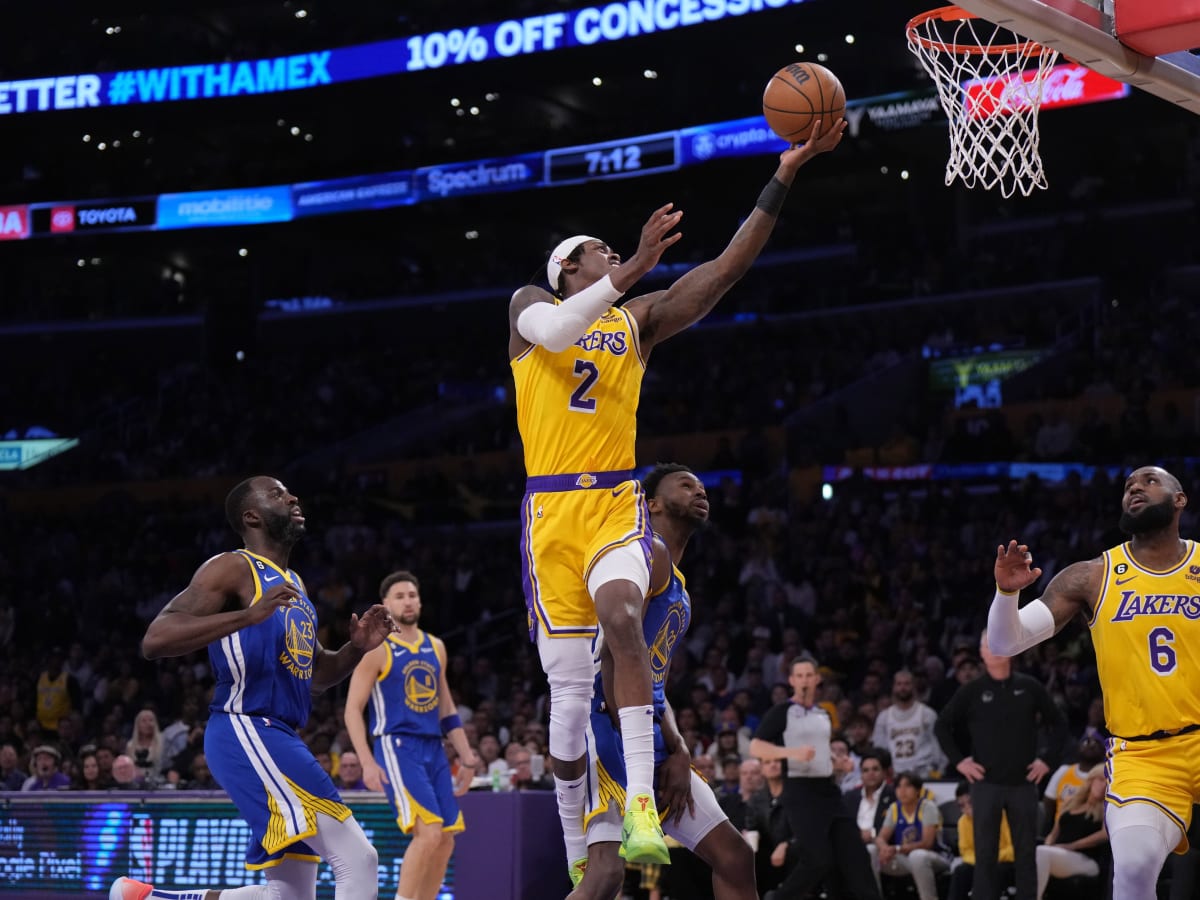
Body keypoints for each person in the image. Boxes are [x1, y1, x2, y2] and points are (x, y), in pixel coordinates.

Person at [508, 122, 845, 870]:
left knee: (622, 614)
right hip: (549, 513)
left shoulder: (638, 320)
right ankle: (574, 841)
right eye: (596, 251)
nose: (610, 254)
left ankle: (638, 809)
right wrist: (629, 269)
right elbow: (563, 330)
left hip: (612, 506)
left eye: (611, 250)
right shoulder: (531, 306)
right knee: (565, 707)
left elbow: (724, 270)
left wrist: (783, 176)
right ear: (569, 267)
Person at [109, 475, 393, 900]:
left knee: (289, 895)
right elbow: (156, 638)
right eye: (278, 493)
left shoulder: (294, 584)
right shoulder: (234, 567)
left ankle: (149, 898)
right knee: (359, 859)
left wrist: (355, 649)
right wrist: (247, 616)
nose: (293, 496)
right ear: (251, 515)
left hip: (276, 733)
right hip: (245, 727)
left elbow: (314, 676)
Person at [986, 465, 1200, 900]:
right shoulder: (1092, 575)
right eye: (1128, 485)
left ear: (1180, 500)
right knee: (1136, 866)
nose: (1135, 487)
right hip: (1145, 757)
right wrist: (1007, 594)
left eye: (1149, 481)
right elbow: (1005, 642)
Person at [570, 463, 757, 900]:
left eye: (702, 486)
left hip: (647, 730)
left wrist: (678, 747)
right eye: (686, 484)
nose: (700, 491)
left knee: (734, 857)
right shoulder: (644, 554)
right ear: (652, 503)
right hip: (605, 725)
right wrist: (638, 753)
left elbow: (653, 681)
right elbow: (616, 655)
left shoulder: (680, 587)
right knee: (604, 878)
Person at [344, 570, 479, 900]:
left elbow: (446, 708)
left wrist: (468, 756)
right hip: (397, 745)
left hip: (434, 747)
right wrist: (366, 762)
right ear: (386, 604)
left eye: (412, 595)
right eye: (400, 596)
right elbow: (352, 710)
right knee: (429, 833)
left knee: (446, 838)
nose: (408, 601)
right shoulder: (377, 649)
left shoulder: (437, 647)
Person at [935, 632, 1065, 900]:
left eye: (998, 641)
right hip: (986, 785)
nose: (993, 648)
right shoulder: (972, 690)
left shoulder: (1029, 687)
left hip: (1023, 784)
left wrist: (1047, 760)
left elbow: (1060, 724)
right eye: (986, 644)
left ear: (1011, 648)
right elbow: (942, 726)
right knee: (985, 855)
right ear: (981, 653)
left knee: (1026, 853)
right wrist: (960, 762)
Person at [749, 654, 883, 900]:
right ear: (791, 680)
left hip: (829, 792)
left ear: (817, 679)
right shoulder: (783, 711)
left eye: (809, 675)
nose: (804, 680)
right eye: (799, 675)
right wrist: (792, 753)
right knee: (818, 860)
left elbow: (821, 752)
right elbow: (756, 747)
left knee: (856, 856)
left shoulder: (822, 713)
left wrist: (837, 763)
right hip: (801, 793)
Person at [1034, 764, 1109, 899]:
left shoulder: (1107, 809)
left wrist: (1071, 846)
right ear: (1091, 780)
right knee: (1038, 852)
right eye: (1100, 780)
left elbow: (1104, 835)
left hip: (1087, 860)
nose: (1103, 785)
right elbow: (1053, 833)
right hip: (1059, 853)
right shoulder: (1071, 803)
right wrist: (1049, 844)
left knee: (1041, 853)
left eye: (1108, 783)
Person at [875, 771, 949, 900]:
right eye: (898, 786)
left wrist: (897, 849)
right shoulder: (894, 808)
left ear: (917, 790)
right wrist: (884, 848)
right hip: (905, 859)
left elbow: (927, 843)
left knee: (918, 856)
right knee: (871, 850)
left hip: (935, 857)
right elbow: (881, 837)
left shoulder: (927, 807)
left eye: (907, 786)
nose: (902, 790)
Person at [871, 670, 946, 780]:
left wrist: (940, 770)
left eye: (907, 684)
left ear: (913, 686)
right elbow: (879, 749)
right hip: (895, 775)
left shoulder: (927, 714)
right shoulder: (884, 717)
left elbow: (938, 744)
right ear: (893, 687)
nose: (903, 688)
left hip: (923, 774)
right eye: (899, 684)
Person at [948, 781, 1015, 900]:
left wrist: (990, 860)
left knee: (995, 871)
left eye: (970, 802)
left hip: (1005, 862)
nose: (967, 808)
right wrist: (981, 862)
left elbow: (1013, 848)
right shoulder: (963, 822)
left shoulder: (1003, 814)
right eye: (962, 805)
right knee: (961, 871)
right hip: (979, 863)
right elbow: (966, 852)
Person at [844, 748, 897, 892]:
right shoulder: (850, 797)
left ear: (885, 772)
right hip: (852, 845)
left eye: (875, 769)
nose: (870, 774)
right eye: (865, 770)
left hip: (882, 849)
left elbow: (896, 827)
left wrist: (872, 835)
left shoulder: (894, 795)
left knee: (869, 850)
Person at [1042, 736, 1106, 827]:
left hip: (1091, 827)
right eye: (1086, 742)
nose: (1091, 746)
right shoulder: (1064, 770)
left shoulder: (1106, 776)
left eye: (1097, 744)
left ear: (1104, 752)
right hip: (1060, 827)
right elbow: (1049, 801)